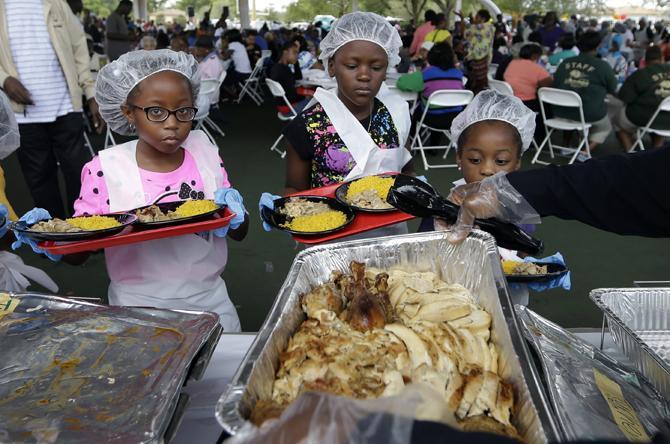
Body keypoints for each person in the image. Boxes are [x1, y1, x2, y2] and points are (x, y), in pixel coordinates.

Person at [13, 50, 249, 331]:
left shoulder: (205, 152)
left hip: (210, 300)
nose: (172, 123)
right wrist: (52, 237)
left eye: (183, 111)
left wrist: (237, 213)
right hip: (136, 308)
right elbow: (80, 253)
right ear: (128, 112)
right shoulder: (107, 170)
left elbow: (239, 231)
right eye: (156, 111)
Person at [275, 12, 413, 192]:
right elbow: (294, 188)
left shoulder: (397, 114)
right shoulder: (306, 127)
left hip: (392, 219)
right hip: (329, 218)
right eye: (352, 66)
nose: (364, 76)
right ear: (331, 66)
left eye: (376, 67)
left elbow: (408, 171)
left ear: (386, 70)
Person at [0, 0, 104, 219]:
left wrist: (91, 93)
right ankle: (55, 238)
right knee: (40, 179)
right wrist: (4, 79)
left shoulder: (55, 3)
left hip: (66, 107)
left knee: (79, 172)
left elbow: (79, 48)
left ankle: (84, 232)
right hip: (23, 115)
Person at [552, 30, 617, 153]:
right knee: (605, 127)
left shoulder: (565, 63)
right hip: (588, 114)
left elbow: (556, 83)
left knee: (572, 107)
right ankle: (585, 150)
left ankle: (565, 145)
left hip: (560, 112)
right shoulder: (602, 65)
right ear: (598, 46)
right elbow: (613, 88)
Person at [396, 42, 465, 135]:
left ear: (431, 57)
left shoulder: (426, 73)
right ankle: (432, 146)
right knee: (439, 107)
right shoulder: (458, 74)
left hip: (431, 118)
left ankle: (412, 138)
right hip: (455, 118)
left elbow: (401, 83)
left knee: (414, 110)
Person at [613, 46, 670, 151]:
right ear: (662, 58)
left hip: (644, 117)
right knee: (662, 117)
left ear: (645, 60)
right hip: (667, 121)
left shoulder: (640, 74)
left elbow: (625, 98)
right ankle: (656, 152)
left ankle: (630, 152)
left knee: (618, 122)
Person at [504, 44, 553, 110]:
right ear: (535, 55)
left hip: (509, 100)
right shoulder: (536, 68)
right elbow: (548, 86)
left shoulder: (512, 63)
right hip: (526, 103)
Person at [269, 42, 309, 114]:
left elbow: (298, 77)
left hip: (282, 105)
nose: (296, 56)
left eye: (297, 53)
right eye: (294, 52)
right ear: (285, 52)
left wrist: (296, 62)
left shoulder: (278, 67)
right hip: (289, 108)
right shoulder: (282, 70)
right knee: (316, 101)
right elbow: (292, 96)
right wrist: (305, 97)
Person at [462, 9, 495, 93]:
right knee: (478, 83)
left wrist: (462, 18)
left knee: (478, 84)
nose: (475, 19)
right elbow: (466, 33)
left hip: (480, 58)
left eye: (477, 17)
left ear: (483, 19)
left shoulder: (485, 27)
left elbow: (467, 30)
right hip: (480, 58)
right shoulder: (487, 27)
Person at [222, 29, 252, 94]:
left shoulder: (233, 44)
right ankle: (237, 90)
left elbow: (224, 57)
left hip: (242, 73)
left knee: (221, 79)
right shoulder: (240, 44)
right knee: (228, 73)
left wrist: (223, 47)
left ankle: (234, 94)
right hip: (248, 72)